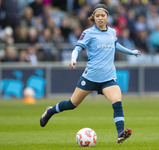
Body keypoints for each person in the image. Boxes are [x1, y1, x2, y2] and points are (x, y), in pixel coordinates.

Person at [40, 4, 141, 144]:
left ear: (107, 17)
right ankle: (50, 111)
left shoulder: (112, 32)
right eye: (97, 16)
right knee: (71, 104)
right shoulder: (88, 33)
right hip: (90, 77)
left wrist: (131, 52)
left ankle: (120, 134)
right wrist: (73, 59)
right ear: (93, 17)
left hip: (108, 78)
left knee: (117, 102)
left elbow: (115, 45)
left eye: (103, 15)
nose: (100, 18)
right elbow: (77, 48)